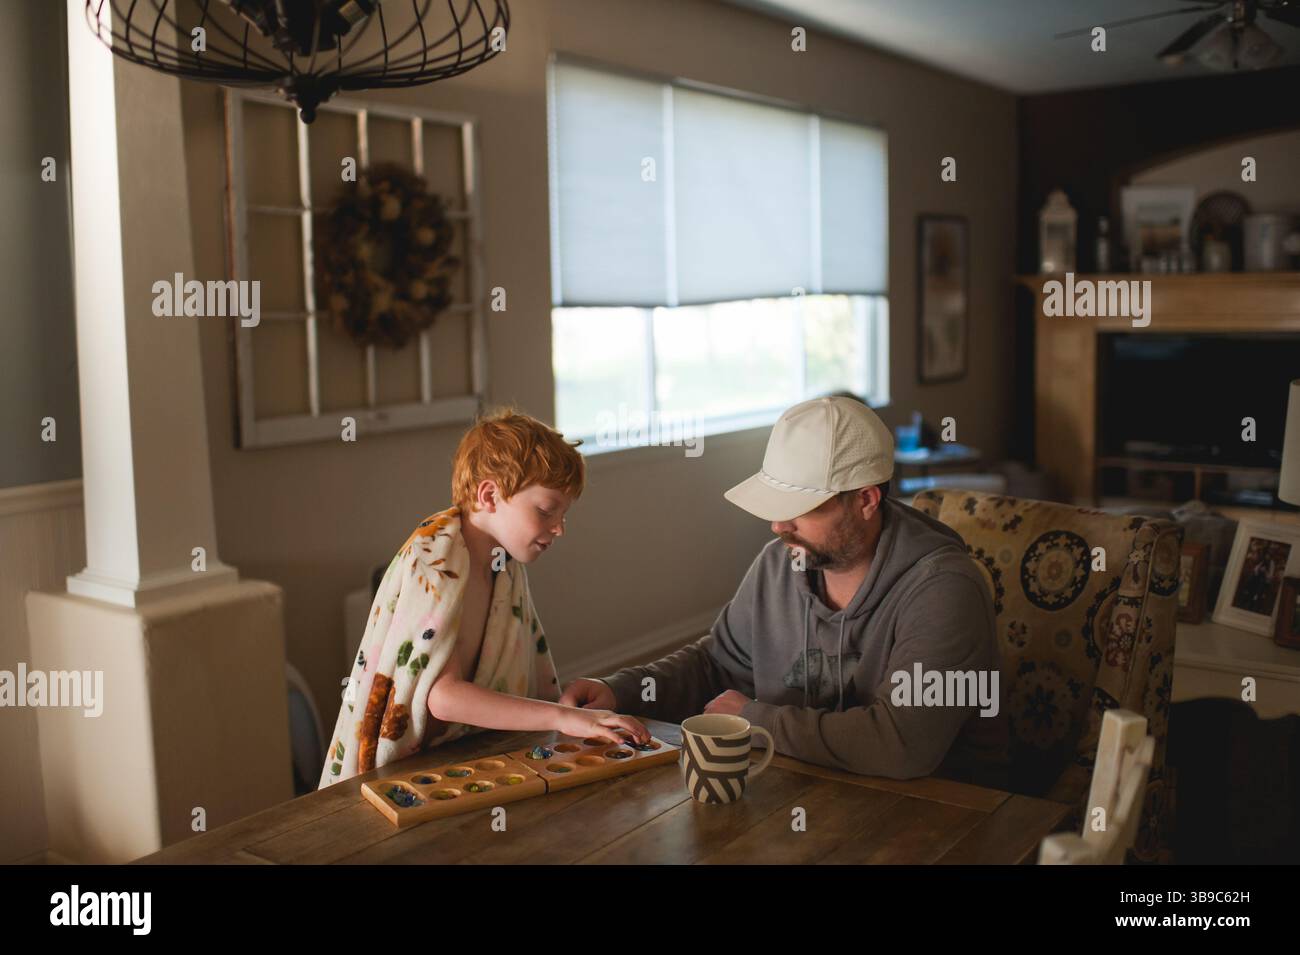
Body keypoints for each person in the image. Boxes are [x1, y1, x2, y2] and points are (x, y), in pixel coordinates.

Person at [561, 396, 1009, 785]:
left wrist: (754, 719)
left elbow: (901, 745)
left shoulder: (944, 590)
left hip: (940, 811)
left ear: (866, 500)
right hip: (808, 787)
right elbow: (717, 666)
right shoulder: (782, 561)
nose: (778, 526)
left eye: (799, 508)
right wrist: (621, 691)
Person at [319, 408, 649, 788]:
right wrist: (559, 718)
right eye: (545, 510)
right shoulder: (434, 560)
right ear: (489, 495)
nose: (558, 528)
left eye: (563, 514)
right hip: (400, 773)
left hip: (457, 758)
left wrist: (565, 709)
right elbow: (441, 697)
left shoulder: (503, 565)